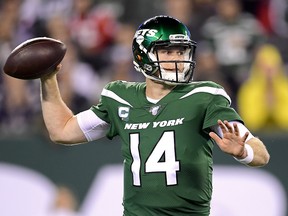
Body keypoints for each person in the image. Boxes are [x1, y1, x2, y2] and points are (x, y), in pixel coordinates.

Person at [40, 15, 270, 216]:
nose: (177, 59)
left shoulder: (205, 95)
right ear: (143, 55)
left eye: (181, 51)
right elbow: (61, 131)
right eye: (167, 51)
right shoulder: (120, 97)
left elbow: (261, 153)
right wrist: (48, 79)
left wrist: (244, 151)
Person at [237, 43, 288, 132]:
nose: (269, 72)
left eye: (273, 67)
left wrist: (274, 106)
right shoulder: (248, 89)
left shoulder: (285, 88)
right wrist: (265, 107)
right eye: (265, 67)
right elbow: (250, 121)